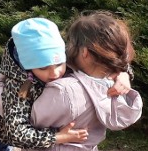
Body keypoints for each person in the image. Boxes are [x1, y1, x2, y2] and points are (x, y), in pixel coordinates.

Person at [0, 18, 89, 150]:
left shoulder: (57, 61)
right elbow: (17, 133)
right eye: (43, 68)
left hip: (5, 131)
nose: (55, 74)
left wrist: (114, 79)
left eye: (59, 64)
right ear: (28, 66)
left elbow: (97, 66)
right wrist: (58, 137)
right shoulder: (18, 86)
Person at [27, 12, 142, 151]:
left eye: (72, 43)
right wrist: (124, 73)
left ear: (85, 52)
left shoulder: (64, 91)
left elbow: (29, 122)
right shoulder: (114, 84)